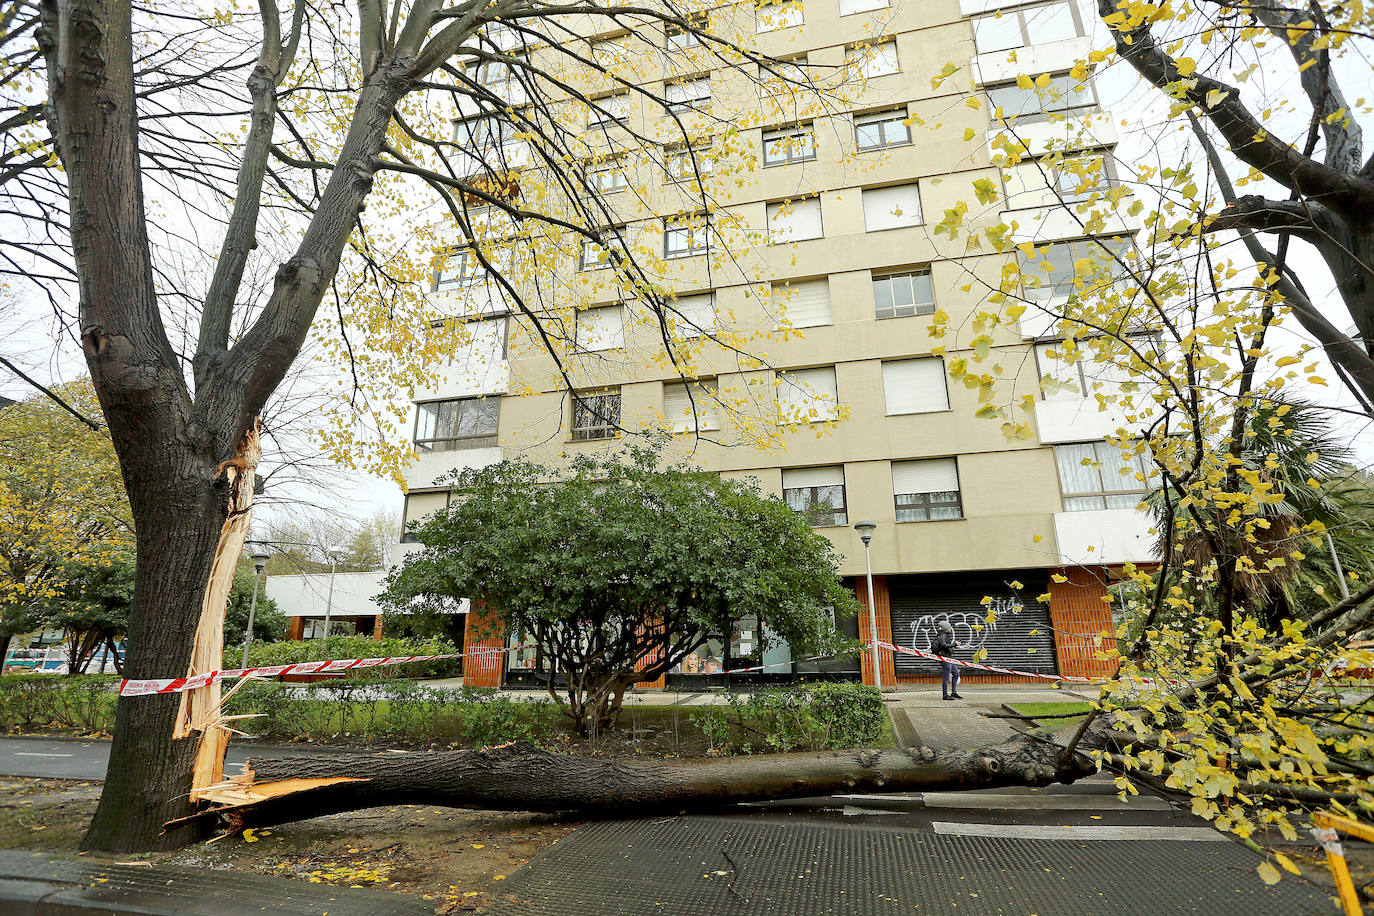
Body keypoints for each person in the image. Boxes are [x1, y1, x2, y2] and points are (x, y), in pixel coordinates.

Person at [933, 620, 963, 700]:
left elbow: (946, 645)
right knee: (946, 677)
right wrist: (954, 644)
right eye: (949, 627)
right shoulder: (942, 635)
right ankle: (945, 695)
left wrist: (954, 644)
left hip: (949, 658)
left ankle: (953, 692)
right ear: (946, 628)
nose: (951, 628)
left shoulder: (944, 635)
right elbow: (943, 645)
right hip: (945, 658)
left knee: (956, 673)